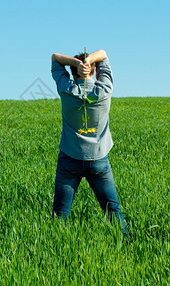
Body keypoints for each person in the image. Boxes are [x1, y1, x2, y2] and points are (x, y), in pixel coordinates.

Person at [51, 49, 128, 236]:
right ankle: (126, 245)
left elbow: (55, 57)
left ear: (72, 72)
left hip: (69, 159)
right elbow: (104, 54)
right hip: (99, 160)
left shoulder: (67, 90)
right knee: (113, 212)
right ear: (94, 71)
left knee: (60, 216)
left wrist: (77, 64)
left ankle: (54, 251)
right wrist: (89, 60)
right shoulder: (104, 91)